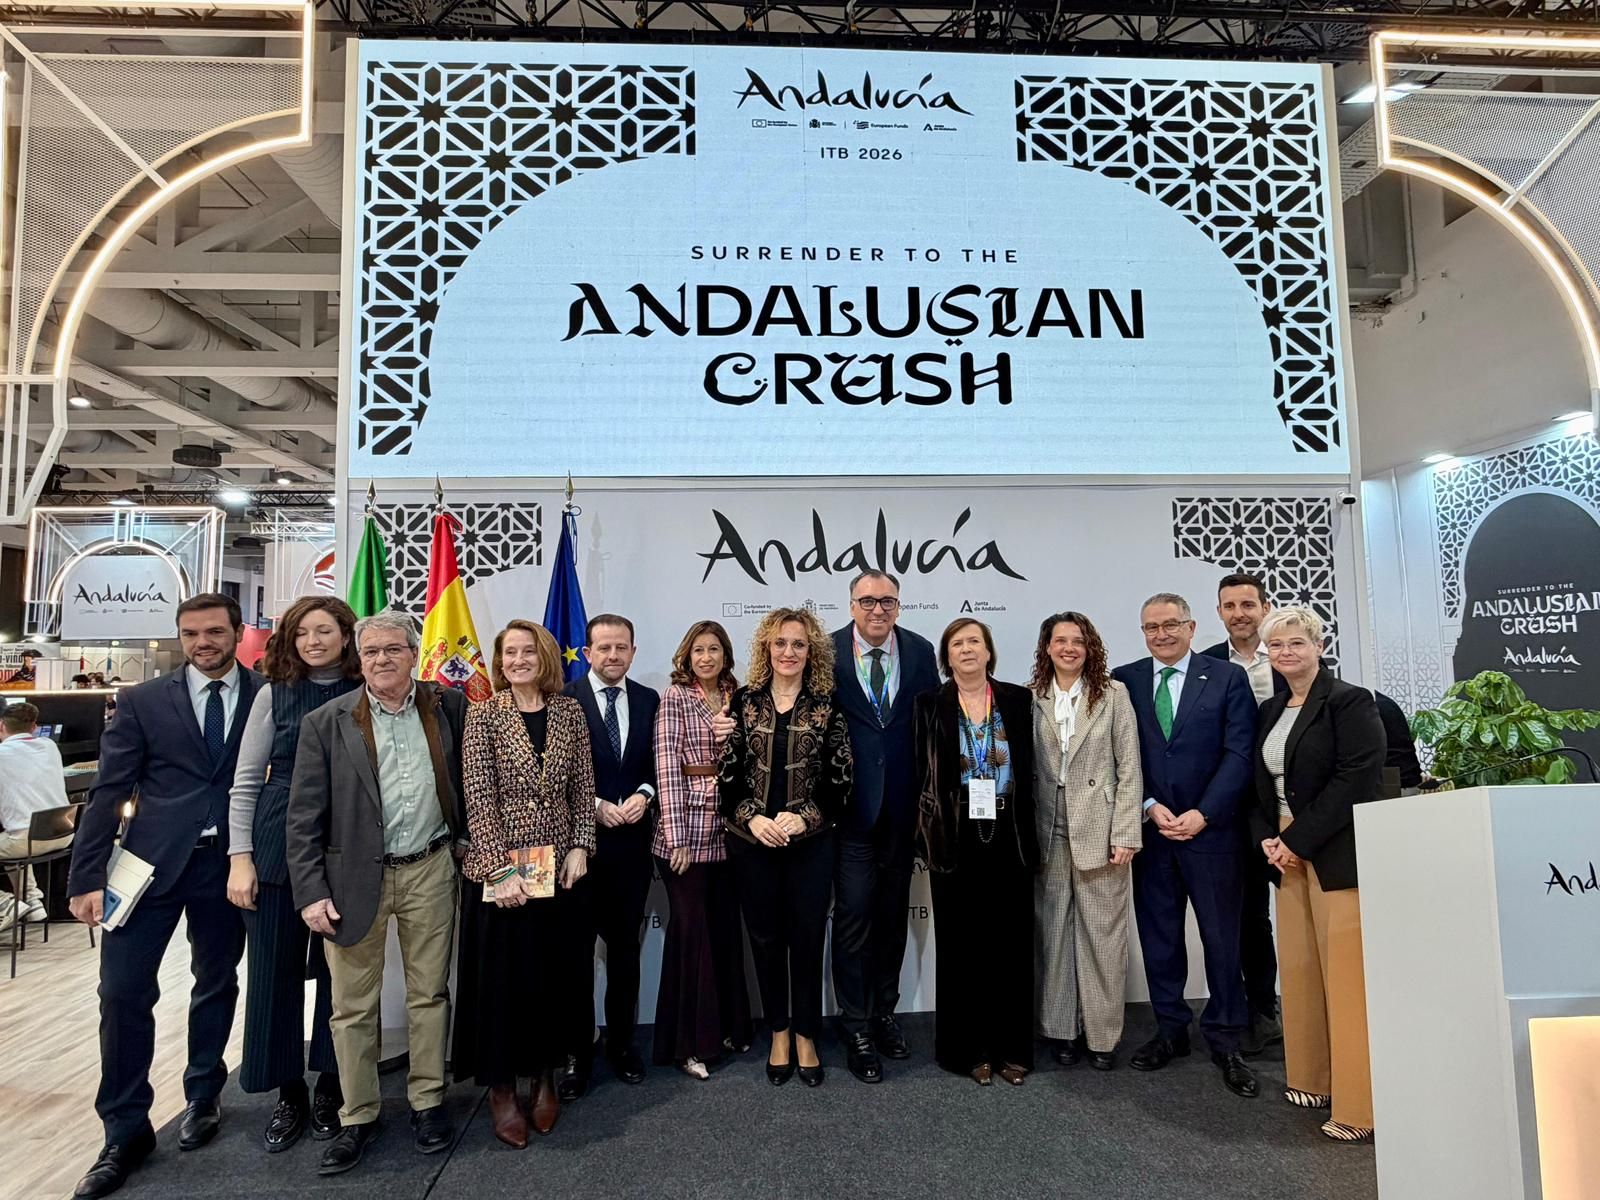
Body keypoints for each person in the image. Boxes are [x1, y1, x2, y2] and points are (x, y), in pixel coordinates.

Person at [66, 594, 259, 1199]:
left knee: (216, 979)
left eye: (213, 631)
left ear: (236, 632)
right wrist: (85, 877)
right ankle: (124, 1129)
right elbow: (109, 788)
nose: (202, 642)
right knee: (121, 992)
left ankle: (203, 1093)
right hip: (144, 866)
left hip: (227, 864)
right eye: (190, 633)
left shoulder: (266, 695)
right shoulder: (143, 701)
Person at [285, 612, 466, 1176]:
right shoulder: (326, 722)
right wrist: (310, 891)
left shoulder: (448, 708)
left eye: (393, 649)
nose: (382, 660)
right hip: (351, 881)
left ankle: (428, 1102)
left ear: (415, 653)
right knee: (352, 1007)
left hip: (431, 868)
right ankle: (357, 1114)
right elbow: (302, 817)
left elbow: (468, 782)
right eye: (370, 652)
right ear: (357, 660)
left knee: (429, 994)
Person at [225, 597, 363, 1152]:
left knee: (343, 979)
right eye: (302, 632)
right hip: (276, 844)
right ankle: (289, 1093)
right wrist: (241, 857)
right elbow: (245, 782)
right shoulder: (271, 695)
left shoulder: (366, 694)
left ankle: (332, 1086)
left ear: (345, 636)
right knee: (273, 974)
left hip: (349, 845)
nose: (312, 641)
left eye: (324, 631)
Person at [1112, 592, 1259, 1099]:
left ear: (1192, 627)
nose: (1161, 634)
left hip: (1212, 833)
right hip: (1152, 832)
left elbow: (1240, 754)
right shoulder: (1124, 681)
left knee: (1222, 940)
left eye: (1171, 624)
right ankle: (1170, 1029)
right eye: (1151, 627)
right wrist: (1150, 806)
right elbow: (1121, 756)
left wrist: (1203, 812)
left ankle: (1225, 1037)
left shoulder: (1226, 678)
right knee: (1160, 939)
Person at [455, 621, 595, 1148]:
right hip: (504, 875)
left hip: (559, 870)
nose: (518, 660)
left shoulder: (569, 712)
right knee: (501, 986)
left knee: (551, 979)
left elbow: (584, 786)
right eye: (508, 652)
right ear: (499, 660)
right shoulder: (484, 714)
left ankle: (543, 1077)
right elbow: (478, 795)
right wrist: (498, 867)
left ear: (545, 657)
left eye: (527, 651)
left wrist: (582, 845)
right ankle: (500, 1089)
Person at [1250, 607, 1384, 1143]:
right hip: (1283, 850)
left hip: (1332, 850)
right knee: (1301, 969)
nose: (1286, 653)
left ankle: (1359, 1107)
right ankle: (1312, 1078)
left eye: (1296, 643)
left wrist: (1296, 840)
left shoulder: (1350, 701)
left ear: (1318, 644)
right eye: (1275, 646)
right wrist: (1268, 836)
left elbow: (1357, 777)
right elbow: (1258, 781)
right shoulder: (1271, 708)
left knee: (1346, 978)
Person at [719, 607, 853, 1089]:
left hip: (809, 844)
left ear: (810, 651)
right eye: (780, 643)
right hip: (752, 843)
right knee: (766, 939)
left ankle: (806, 1036)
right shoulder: (744, 702)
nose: (789, 652)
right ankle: (778, 1031)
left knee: (806, 939)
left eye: (798, 644)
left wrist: (803, 818)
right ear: (766, 649)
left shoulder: (827, 705)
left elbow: (842, 782)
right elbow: (727, 778)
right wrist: (753, 818)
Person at [829, 570, 939, 1084]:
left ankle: (884, 1013)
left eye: (887, 601)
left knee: (893, 920)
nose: (877, 610)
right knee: (853, 921)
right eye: (867, 601)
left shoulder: (919, 652)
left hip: (901, 812)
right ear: (851, 604)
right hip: (848, 813)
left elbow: (930, 729)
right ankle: (855, 1026)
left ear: (899, 605)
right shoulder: (825, 652)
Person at [916, 618, 1036, 1086]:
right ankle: (967, 1050)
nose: (966, 650)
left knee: (1010, 944)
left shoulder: (1017, 700)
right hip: (954, 834)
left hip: (1011, 833)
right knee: (962, 946)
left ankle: (1012, 1048)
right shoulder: (930, 703)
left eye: (975, 642)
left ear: (989, 652)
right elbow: (920, 775)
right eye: (957, 644)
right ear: (947, 657)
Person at [1028, 612, 1142, 1070]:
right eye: (1060, 641)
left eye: (1078, 641)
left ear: (1090, 647)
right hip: (1047, 829)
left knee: (1101, 937)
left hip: (1100, 826)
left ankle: (1101, 1036)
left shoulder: (1114, 695)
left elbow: (1130, 767)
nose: (1069, 648)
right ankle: (1061, 1031)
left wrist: (1126, 832)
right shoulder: (1032, 697)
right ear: (1047, 648)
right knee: (1053, 934)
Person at [560, 613, 660, 1096]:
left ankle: (622, 1045)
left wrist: (645, 793)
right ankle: (578, 1053)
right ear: (588, 651)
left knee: (625, 952)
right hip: (580, 850)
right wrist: (594, 807)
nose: (613, 655)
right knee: (577, 956)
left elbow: (658, 765)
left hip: (632, 850)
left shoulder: (648, 700)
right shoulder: (564, 702)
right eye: (604, 647)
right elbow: (555, 778)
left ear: (633, 652)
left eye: (622, 647)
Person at [651, 620, 752, 1079]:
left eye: (713, 649)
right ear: (687, 658)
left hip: (733, 831)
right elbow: (667, 767)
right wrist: (676, 838)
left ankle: (731, 1028)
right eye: (698, 651)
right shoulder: (675, 697)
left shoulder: (741, 694)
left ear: (725, 654)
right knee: (691, 935)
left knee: (726, 931)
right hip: (687, 830)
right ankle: (688, 1044)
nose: (706, 657)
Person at [1201, 571, 1283, 1055]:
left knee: (1261, 918)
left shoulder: (1290, 659)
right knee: (1236, 915)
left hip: (1280, 807)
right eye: (1229, 606)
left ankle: (1266, 1008)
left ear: (1264, 607)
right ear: (1218, 613)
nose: (1239, 614)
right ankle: (1238, 1011)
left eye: (1247, 605)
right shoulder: (1206, 664)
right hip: (1225, 808)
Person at [0, 701, 73, 932]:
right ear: (34, 727)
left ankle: (4, 903)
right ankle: (32, 901)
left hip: (26, 841)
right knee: (17, 834)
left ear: (1, 726)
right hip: (63, 834)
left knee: (15, 837)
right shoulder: (50, 746)